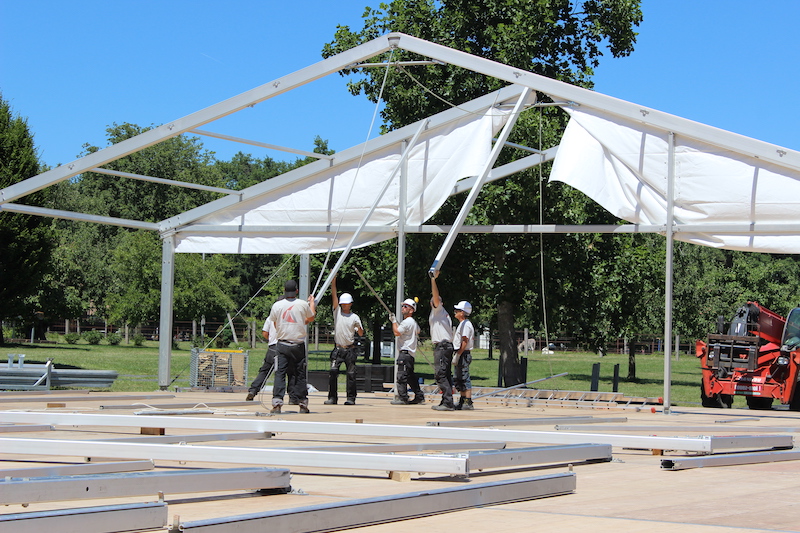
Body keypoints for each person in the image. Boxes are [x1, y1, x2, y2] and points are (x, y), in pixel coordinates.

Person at [269, 279, 316, 414]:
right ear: (296, 291)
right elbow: (311, 318)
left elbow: (275, 323)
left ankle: (277, 403)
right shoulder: (302, 304)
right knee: (300, 374)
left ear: (284, 291)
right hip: (298, 345)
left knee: (280, 373)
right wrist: (312, 303)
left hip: (282, 344)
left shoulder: (277, 305)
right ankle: (302, 403)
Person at [325, 275, 364, 405]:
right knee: (333, 371)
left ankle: (351, 398)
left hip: (349, 349)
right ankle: (332, 397)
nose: (344, 306)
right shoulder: (337, 313)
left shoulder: (355, 317)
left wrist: (359, 329)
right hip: (338, 348)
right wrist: (333, 282)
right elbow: (334, 296)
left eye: (347, 304)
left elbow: (361, 332)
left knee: (351, 374)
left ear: (351, 304)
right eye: (343, 304)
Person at [390, 298, 425, 405]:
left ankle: (403, 398)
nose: (403, 308)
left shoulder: (407, 322)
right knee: (410, 377)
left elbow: (397, 332)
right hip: (410, 355)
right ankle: (419, 396)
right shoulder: (413, 322)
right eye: (403, 306)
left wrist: (394, 321)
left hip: (404, 353)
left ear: (411, 310)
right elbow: (418, 330)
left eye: (406, 306)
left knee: (401, 376)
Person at [429, 272, 456, 411]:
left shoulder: (438, 310)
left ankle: (448, 402)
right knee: (445, 374)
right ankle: (446, 400)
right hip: (446, 346)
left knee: (440, 374)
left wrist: (433, 280)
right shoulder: (440, 313)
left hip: (442, 346)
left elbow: (435, 295)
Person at [245, 317, 278, 401]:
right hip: (286, 345)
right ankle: (293, 396)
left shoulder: (270, 318)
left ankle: (253, 390)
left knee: (265, 370)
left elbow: (265, 333)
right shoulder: (291, 316)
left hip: (273, 347)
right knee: (290, 372)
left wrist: (271, 339)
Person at [452, 300, 475, 410]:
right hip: (461, 352)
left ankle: (468, 401)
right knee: (459, 377)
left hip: (463, 353)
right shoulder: (462, 324)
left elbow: (465, 341)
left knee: (464, 377)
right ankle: (462, 399)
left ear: (462, 312)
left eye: (457, 310)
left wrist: (458, 355)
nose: (455, 312)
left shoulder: (466, 324)